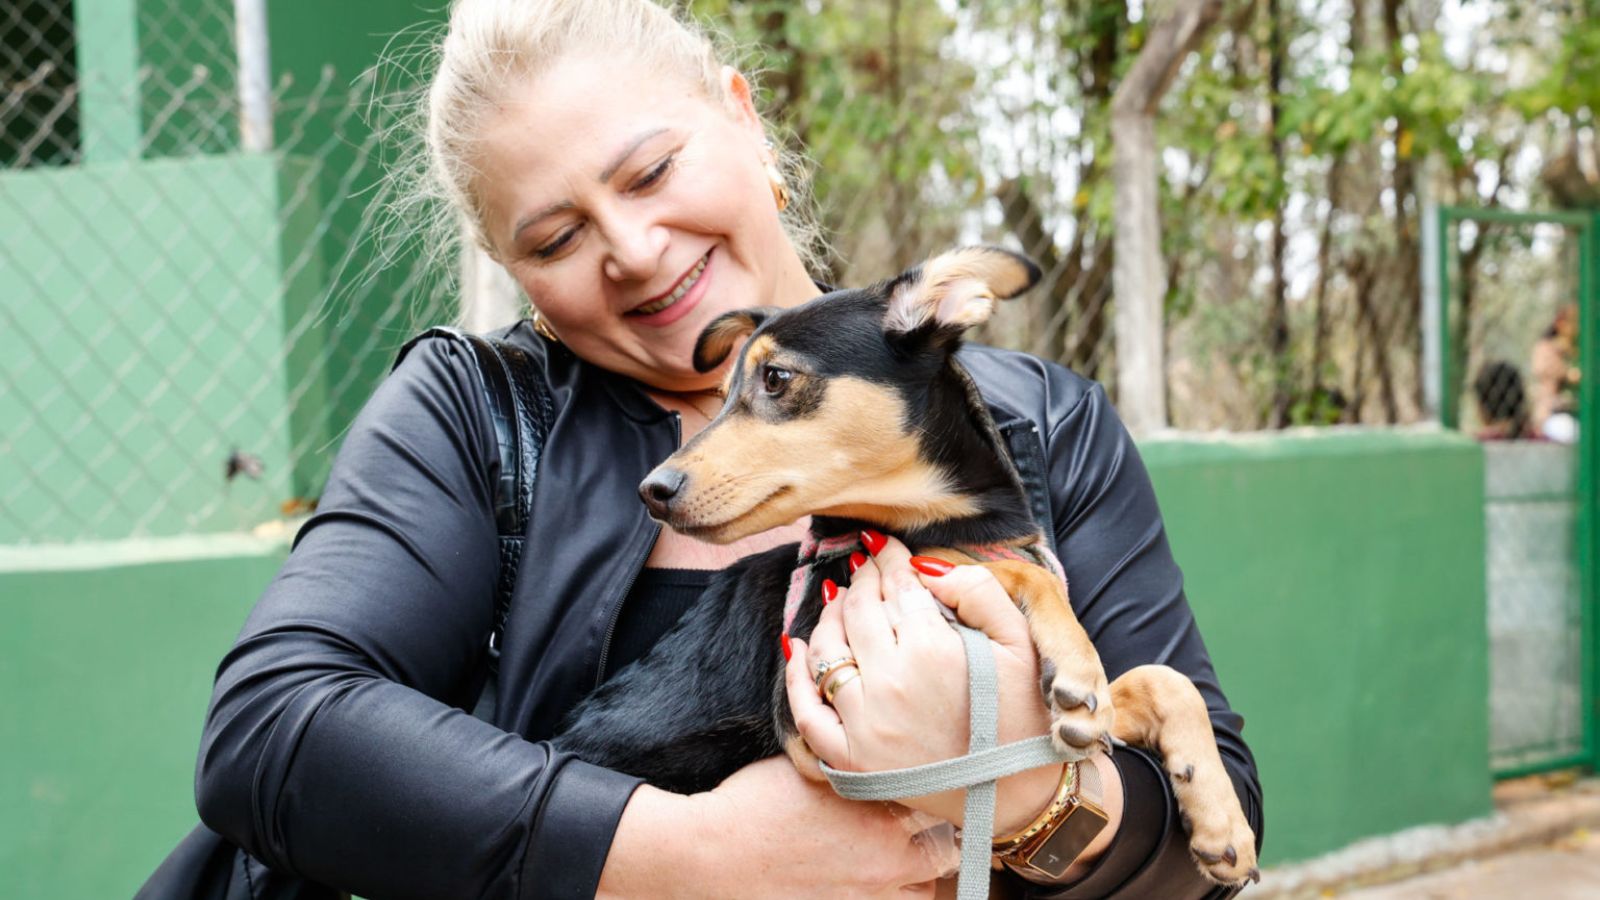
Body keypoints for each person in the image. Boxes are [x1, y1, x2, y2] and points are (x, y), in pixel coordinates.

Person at [190, 1, 1263, 897]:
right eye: (555, 240)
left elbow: (1205, 848)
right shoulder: (473, 417)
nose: (635, 252)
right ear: (513, 272)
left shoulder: (1041, 426)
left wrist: (1023, 791)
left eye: (651, 172)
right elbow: (270, 730)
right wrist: (690, 854)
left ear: (745, 122)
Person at [1531, 303, 1580, 443]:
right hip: (1554, 414)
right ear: (1560, 323)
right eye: (1574, 322)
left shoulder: (1579, 350)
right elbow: (1545, 369)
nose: (1578, 328)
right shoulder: (1545, 348)